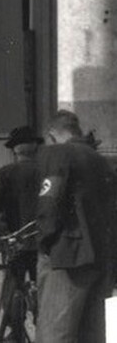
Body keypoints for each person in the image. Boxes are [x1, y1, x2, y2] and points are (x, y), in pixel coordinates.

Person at [32, 110, 117, 343]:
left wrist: (43, 241)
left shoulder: (58, 153)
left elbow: (50, 201)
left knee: (55, 332)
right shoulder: (100, 160)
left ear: (51, 134)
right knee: (91, 334)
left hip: (67, 256)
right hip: (100, 256)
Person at [0, 124, 43, 288]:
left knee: (12, 284)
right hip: (41, 237)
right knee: (42, 284)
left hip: (14, 238)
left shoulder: (6, 172)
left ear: (14, 150)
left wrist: (2, 231)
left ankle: (12, 305)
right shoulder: (46, 170)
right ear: (36, 148)